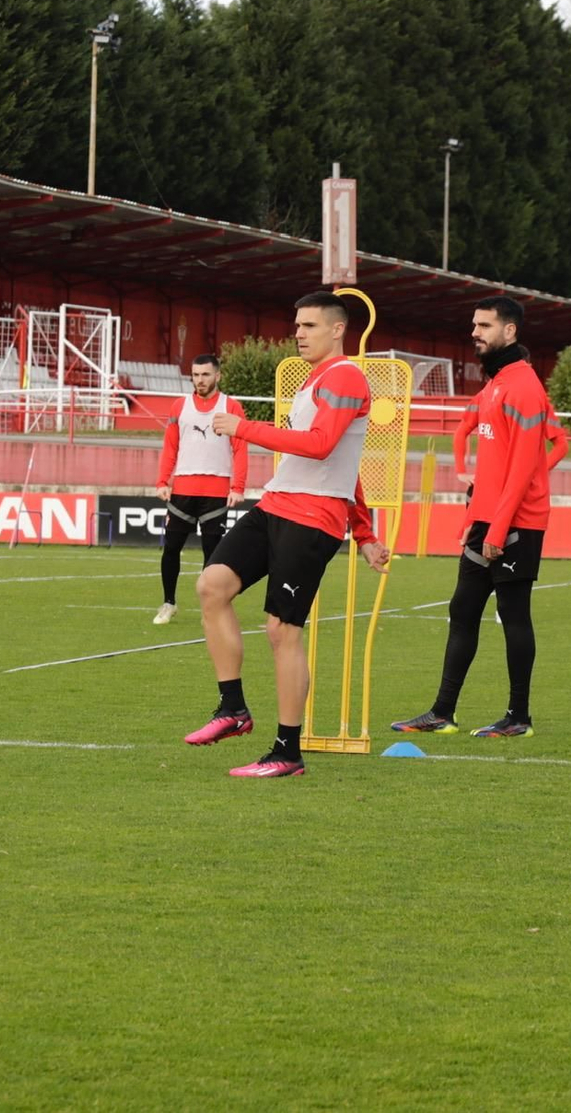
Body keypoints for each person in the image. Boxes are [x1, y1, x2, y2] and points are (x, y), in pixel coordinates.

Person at [186, 292, 392, 778]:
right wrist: (364, 534)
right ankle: (233, 709)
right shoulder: (316, 380)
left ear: (338, 330)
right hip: (277, 503)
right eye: (297, 324)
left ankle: (286, 751)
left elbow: (322, 448)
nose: (298, 332)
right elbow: (347, 466)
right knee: (211, 585)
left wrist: (243, 427)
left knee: (282, 631)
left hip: (312, 518)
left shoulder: (345, 376)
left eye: (310, 325)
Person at [393, 295, 555, 739]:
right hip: (487, 519)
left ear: (510, 332)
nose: (475, 332)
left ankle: (519, 717)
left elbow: (523, 469)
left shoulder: (523, 386)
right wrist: (475, 516)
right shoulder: (496, 384)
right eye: (474, 325)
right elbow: (491, 461)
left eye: (484, 325)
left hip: (517, 522)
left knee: (513, 613)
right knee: (462, 609)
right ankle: (442, 712)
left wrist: (498, 527)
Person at [151, 353, 248, 625]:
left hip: (216, 491)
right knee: (171, 548)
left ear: (217, 375)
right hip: (182, 488)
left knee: (213, 554)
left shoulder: (232, 407)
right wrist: (162, 481)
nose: (200, 380)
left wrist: (237, 486)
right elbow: (170, 446)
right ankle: (168, 603)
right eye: (195, 375)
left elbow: (240, 449)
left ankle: (211, 609)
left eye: (205, 374)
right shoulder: (179, 407)